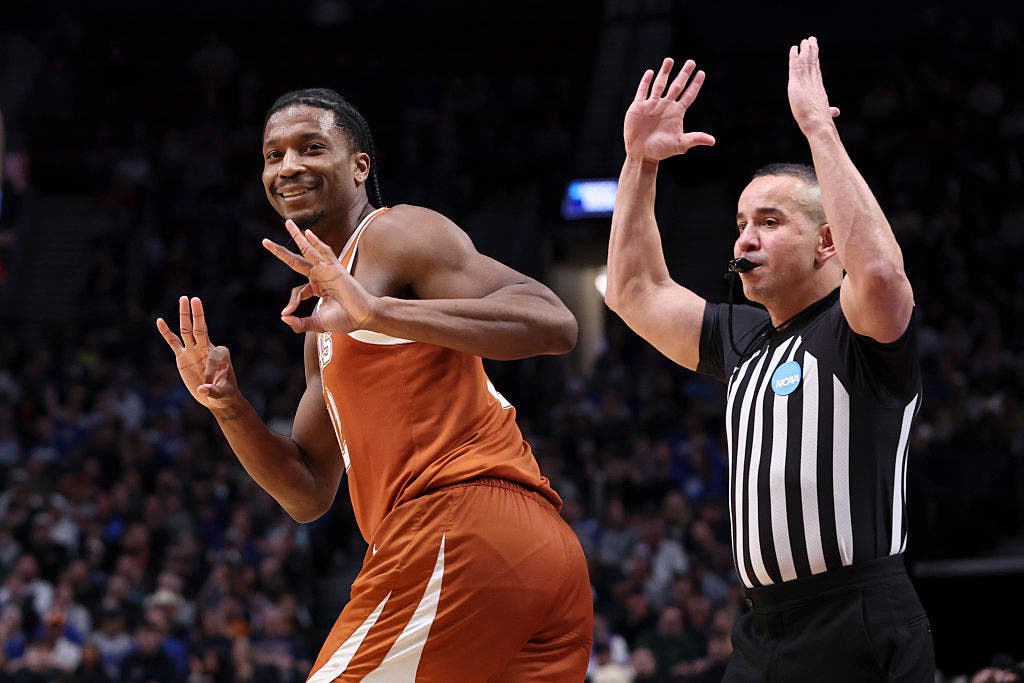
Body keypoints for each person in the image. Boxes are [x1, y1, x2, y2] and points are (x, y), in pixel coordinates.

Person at [156, 88, 593, 681]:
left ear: (360, 165)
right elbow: (308, 493)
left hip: (458, 525)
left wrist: (376, 312)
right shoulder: (326, 324)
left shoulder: (395, 234)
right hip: (526, 552)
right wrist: (227, 405)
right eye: (273, 154)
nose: (289, 166)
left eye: (312, 147)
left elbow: (553, 321)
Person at [604, 38, 935, 680]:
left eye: (770, 221)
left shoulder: (857, 328)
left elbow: (882, 274)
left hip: (858, 618)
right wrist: (638, 163)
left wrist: (817, 129)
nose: (745, 239)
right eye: (740, 222)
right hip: (760, 629)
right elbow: (632, 291)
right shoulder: (741, 336)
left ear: (825, 243)